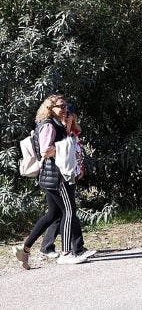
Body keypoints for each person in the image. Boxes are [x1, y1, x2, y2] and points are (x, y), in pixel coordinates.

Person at [13, 95, 95, 270]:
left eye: (65, 106)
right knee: (69, 211)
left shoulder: (54, 124)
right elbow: (46, 151)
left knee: (52, 215)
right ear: (50, 108)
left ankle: (24, 248)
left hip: (51, 176)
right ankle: (66, 254)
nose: (65, 109)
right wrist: (67, 144)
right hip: (57, 177)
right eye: (61, 106)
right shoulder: (49, 126)